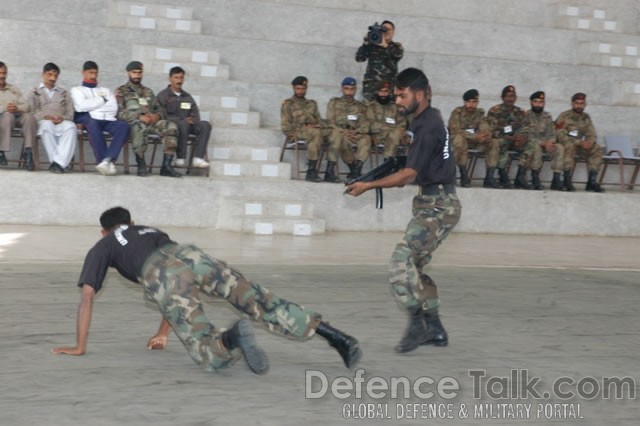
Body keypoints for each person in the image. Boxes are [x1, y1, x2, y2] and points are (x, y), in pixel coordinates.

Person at [52, 207, 362, 374]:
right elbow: (179, 279)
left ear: (104, 231)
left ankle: (231, 338)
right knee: (256, 298)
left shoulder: (102, 245)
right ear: (131, 221)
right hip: (191, 254)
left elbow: (89, 297)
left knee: (210, 357)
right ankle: (335, 335)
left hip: (159, 273)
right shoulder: (149, 230)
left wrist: (79, 346)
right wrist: (165, 331)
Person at [346, 68, 461, 354]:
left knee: (401, 260)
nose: (397, 100)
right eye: (396, 95)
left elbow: (408, 175)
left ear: (420, 94)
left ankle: (417, 324)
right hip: (437, 203)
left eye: (402, 94)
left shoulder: (427, 126)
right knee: (415, 267)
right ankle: (434, 328)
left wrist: (368, 184)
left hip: (438, 205)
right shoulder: (428, 120)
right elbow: (415, 164)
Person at [116, 61, 181, 178]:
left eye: (139, 72)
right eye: (134, 72)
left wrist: (157, 116)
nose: (137, 75)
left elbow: (160, 109)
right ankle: (141, 164)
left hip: (151, 122)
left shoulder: (148, 91)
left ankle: (166, 166)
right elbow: (118, 113)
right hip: (133, 122)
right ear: (128, 73)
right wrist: (139, 116)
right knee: (139, 126)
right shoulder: (121, 91)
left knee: (170, 126)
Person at [71, 61, 130, 176]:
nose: (93, 76)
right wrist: (102, 101)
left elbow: (113, 108)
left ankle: (106, 160)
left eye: (95, 73)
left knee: (124, 126)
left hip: (108, 119)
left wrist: (92, 107)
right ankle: (104, 160)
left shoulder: (105, 90)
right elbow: (81, 106)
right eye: (90, 73)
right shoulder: (77, 90)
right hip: (88, 118)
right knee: (92, 124)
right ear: (83, 73)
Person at [27, 63, 78, 173]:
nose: (52, 78)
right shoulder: (34, 92)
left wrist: (62, 118)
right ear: (43, 74)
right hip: (43, 121)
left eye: (55, 76)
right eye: (49, 74)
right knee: (47, 125)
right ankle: (60, 164)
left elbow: (71, 113)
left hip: (62, 121)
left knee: (71, 127)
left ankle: (56, 163)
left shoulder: (64, 93)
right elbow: (31, 112)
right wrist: (45, 116)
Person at [156, 66, 210, 169]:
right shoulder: (163, 95)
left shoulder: (187, 96)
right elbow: (161, 115)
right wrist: (180, 120)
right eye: (176, 77)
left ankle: (198, 158)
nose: (179, 80)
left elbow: (195, 114)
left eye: (181, 78)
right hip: (173, 126)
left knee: (205, 125)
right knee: (183, 124)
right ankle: (181, 157)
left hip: (189, 125)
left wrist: (193, 120)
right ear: (170, 78)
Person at [447, 89, 499, 188]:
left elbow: (484, 126)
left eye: (474, 102)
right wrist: (475, 136)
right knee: (459, 139)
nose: (471, 105)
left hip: (476, 142)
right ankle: (463, 174)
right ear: (464, 102)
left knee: (494, 142)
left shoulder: (479, 113)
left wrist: (486, 135)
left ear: (477, 102)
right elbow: (455, 130)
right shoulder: (457, 112)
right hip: (461, 142)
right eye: (468, 102)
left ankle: (489, 177)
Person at [554, 93, 604, 192]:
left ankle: (591, 181)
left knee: (596, 148)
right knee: (569, 146)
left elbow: (592, 133)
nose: (579, 106)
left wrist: (589, 142)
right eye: (577, 103)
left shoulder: (586, 118)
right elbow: (560, 135)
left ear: (585, 105)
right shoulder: (564, 116)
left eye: (582, 103)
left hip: (580, 146)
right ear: (572, 104)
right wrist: (579, 142)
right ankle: (567, 180)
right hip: (568, 144)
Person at [280, 76, 325, 182]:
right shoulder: (288, 104)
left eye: (302, 89)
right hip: (297, 131)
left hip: (313, 130)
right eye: (298, 89)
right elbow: (285, 123)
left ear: (306, 88)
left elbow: (319, 119)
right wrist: (290, 134)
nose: (300, 91)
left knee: (325, 134)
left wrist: (317, 125)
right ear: (293, 88)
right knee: (317, 134)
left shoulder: (312, 104)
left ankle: (313, 170)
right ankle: (311, 170)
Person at [487, 85, 532, 189]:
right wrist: (510, 138)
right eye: (507, 96)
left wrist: (522, 137)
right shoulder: (494, 111)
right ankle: (502, 174)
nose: (510, 98)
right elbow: (492, 131)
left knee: (531, 144)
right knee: (499, 142)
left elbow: (526, 127)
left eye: (512, 96)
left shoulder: (520, 112)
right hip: (503, 139)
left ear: (515, 98)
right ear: (502, 97)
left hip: (516, 142)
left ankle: (520, 177)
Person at [326, 77, 370, 182]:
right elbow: (330, 122)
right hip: (339, 132)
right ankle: (330, 171)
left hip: (354, 133)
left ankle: (356, 169)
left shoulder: (360, 106)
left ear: (355, 90)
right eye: (346, 89)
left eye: (352, 89)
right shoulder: (334, 103)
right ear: (342, 89)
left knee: (367, 139)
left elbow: (365, 124)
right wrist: (343, 131)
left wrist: (357, 131)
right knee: (339, 139)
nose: (349, 92)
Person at [521, 91, 564, 191]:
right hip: (531, 145)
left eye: (541, 102)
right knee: (536, 146)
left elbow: (552, 134)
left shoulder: (547, 116)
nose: (538, 104)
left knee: (560, 148)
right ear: (531, 102)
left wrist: (550, 143)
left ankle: (556, 179)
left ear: (544, 103)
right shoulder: (526, 116)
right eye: (535, 101)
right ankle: (535, 178)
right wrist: (543, 143)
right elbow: (527, 135)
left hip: (546, 144)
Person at [0, 61, 37, 171]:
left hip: (16, 116)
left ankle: (28, 152)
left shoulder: (13, 89)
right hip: (2, 118)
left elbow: (26, 106)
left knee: (29, 117)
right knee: (8, 116)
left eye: (4, 73)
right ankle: (1, 151)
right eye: (0, 73)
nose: (2, 76)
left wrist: (17, 108)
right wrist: (5, 108)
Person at [355, 20, 404, 101]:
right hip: (371, 88)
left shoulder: (396, 47)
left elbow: (397, 55)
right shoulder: (372, 45)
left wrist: (385, 46)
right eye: (384, 29)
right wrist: (365, 43)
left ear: (393, 32)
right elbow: (359, 58)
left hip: (388, 88)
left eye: (389, 29)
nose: (387, 31)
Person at [365, 80, 407, 161]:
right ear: (377, 92)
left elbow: (402, 124)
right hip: (378, 137)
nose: (383, 94)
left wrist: (392, 130)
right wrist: (391, 128)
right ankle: (388, 163)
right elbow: (371, 125)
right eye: (381, 91)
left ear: (390, 92)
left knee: (396, 134)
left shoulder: (395, 107)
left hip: (394, 137)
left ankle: (387, 160)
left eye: (386, 91)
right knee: (395, 133)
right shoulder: (371, 107)